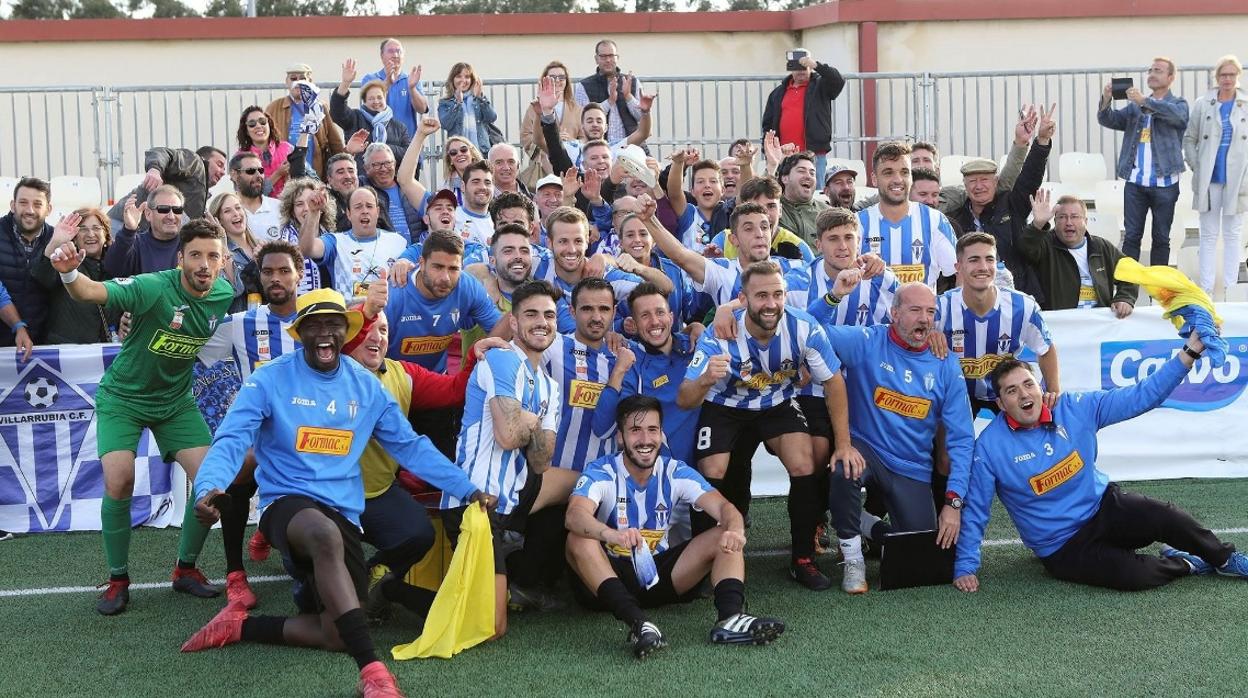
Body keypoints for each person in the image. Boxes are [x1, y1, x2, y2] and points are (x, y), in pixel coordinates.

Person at [181, 288, 492, 698]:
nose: (324, 334)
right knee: (322, 535)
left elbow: (410, 445)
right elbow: (232, 439)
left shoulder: (365, 387)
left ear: (345, 334)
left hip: (344, 511)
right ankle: (374, 674)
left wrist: (466, 488)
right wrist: (209, 485)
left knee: (337, 631)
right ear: (299, 333)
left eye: (333, 325)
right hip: (287, 506)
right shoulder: (269, 378)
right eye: (314, 325)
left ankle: (239, 624)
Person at [954, 340, 1248, 593]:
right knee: (1134, 576)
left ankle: (1223, 559)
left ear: (1040, 386)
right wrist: (966, 565)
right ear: (1001, 403)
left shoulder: (1073, 407)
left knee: (1166, 516)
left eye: (1028, 384)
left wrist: (1190, 353)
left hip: (1104, 507)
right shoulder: (989, 447)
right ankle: (1185, 562)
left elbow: (1142, 395)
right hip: (1062, 545)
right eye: (1012, 391)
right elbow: (977, 509)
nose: (1024, 395)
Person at [48, 217, 235, 615]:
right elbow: (92, 291)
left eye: (213, 256)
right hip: (123, 399)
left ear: (222, 262)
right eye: (196, 255)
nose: (204, 264)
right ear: (180, 257)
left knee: (211, 486)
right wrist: (69, 274)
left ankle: (185, 570)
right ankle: (118, 579)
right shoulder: (153, 287)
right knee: (120, 481)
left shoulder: (222, 293)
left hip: (175, 402)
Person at [678, 260, 861, 591]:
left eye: (777, 294)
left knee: (806, 462)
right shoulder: (720, 333)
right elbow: (685, 398)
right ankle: (705, 561)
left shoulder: (803, 327)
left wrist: (845, 444)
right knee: (713, 470)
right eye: (761, 295)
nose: (771, 303)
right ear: (743, 298)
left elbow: (834, 382)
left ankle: (802, 558)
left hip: (776, 403)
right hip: (725, 407)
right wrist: (706, 378)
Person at [566, 395, 784, 658]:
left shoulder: (674, 470)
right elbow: (575, 515)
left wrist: (735, 529)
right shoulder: (601, 471)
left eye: (652, 430)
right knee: (577, 540)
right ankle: (639, 624)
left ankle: (730, 618)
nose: (645, 440)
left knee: (723, 532)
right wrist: (611, 534)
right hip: (609, 581)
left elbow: (726, 509)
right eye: (635, 431)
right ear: (621, 438)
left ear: (661, 434)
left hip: (661, 578)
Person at [439, 280, 580, 636]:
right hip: (475, 504)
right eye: (531, 314)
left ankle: (530, 578)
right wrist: (530, 423)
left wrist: (524, 423)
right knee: (492, 626)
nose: (541, 322)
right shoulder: (502, 359)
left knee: (576, 484)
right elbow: (508, 436)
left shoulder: (549, 385)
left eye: (549, 315)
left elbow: (541, 462)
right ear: (514, 323)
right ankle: (393, 590)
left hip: (510, 497)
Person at [824, 282, 974, 594]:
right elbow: (809, 329)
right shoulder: (867, 341)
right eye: (915, 310)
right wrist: (832, 297)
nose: (924, 318)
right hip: (866, 448)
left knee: (922, 558)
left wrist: (954, 502)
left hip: (912, 466)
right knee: (843, 469)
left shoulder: (945, 361)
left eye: (930, 312)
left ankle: (866, 525)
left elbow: (962, 439)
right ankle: (853, 560)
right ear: (894, 314)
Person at [195, 239, 307, 608]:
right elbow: (189, 343)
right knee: (238, 474)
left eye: (284, 271)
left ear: (299, 275)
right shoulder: (239, 324)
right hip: (260, 434)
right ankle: (234, 574)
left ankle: (267, 529)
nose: (275, 279)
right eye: (268, 272)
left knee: (304, 569)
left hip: (309, 434)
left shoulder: (317, 318)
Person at [936, 232, 1059, 414]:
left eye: (989, 259)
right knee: (946, 430)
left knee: (1028, 429)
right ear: (958, 267)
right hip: (958, 393)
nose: (983, 267)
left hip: (1005, 392)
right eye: (974, 260)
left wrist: (1054, 390)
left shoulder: (1023, 306)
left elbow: (1046, 349)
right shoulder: (940, 308)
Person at [944, 104, 1055, 301]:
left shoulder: (1012, 204)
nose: (979, 186)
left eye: (984, 180)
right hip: (974, 301)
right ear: (965, 185)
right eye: (973, 181)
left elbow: (1030, 176)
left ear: (996, 182)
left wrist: (1042, 140)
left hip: (1019, 297)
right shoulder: (956, 218)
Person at [592, 283, 702, 467]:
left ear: (671, 316)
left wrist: (698, 326)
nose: (654, 322)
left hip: (710, 467)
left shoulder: (696, 345)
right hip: (664, 475)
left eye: (660, 312)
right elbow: (602, 429)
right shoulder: (631, 363)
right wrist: (618, 371)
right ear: (633, 325)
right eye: (645, 315)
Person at [1098, 57, 1190, 266]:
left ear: (1170, 77)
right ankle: (1127, 291)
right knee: (1131, 238)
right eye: (1150, 70)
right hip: (1135, 183)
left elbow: (1178, 117)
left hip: (1165, 184)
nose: (1152, 73)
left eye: (1158, 70)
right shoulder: (1134, 107)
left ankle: (1158, 291)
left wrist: (1143, 101)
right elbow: (1108, 119)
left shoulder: (1178, 104)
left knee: (1161, 238)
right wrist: (1106, 99)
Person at [1184, 55, 1248, 295]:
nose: (1227, 79)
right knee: (1208, 235)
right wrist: (1196, 165)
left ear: (1238, 77)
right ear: (1217, 77)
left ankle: (1231, 289)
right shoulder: (1204, 103)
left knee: (1233, 235)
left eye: (1232, 75)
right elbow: (1190, 138)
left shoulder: (1245, 104)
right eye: (1223, 75)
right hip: (1209, 177)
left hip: (1238, 180)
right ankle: (1206, 289)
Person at [542, 277, 622, 471]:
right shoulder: (552, 347)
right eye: (587, 309)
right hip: (550, 474)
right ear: (572, 311)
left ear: (614, 312)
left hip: (600, 481)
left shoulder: (624, 357)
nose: (596, 317)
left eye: (604, 309)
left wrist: (692, 327)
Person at [1018, 191, 1138, 314]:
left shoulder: (1102, 247)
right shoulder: (1045, 244)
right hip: (1063, 325)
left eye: (1074, 217)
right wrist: (1037, 225)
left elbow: (1131, 273)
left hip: (1100, 324)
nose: (1069, 222)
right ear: (1055, 221)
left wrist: (1124, 298)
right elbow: (1025, 248)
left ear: (1085, 221)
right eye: (1062, 217)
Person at [857, 142, 957, 288]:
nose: (898, 179)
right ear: (874, 179)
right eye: (888, 172)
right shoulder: (857, 223)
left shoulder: (935, 221)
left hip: (921, 310)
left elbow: (958, 273)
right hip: (871, 311)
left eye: (904, 172)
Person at [300, 186, 406, 301]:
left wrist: (405, 261)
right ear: (349, 214)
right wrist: (313, 212)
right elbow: (306, 249)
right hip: (351, 316)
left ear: (377, 212)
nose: (365, 211)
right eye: (358, 207)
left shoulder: (398, 242)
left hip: (386, 316)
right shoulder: (335, 242)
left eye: (369, 206)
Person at [31, 208, 118, 343]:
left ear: (106, 236)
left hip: (106, 353)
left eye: (96, 228)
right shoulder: (65, 262)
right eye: (82, 229)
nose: (90, 234)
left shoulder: (117, 267)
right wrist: (55, 242)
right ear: (75, 239)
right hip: (68, 353)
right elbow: (41, 276)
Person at [761, 50, 846, 184]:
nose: (801, 71)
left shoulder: (821, 86)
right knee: (780, 193)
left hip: (814, 155)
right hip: (784, 157)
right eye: (796, 67)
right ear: (790, 69)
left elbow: (838, 80)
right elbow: (768, 125)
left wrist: (817, 65)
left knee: (815, 192)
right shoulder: (777, 93)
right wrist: (768, 153)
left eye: (804, 67)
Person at [108, 146, 227, 226]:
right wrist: (155, 169)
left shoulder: (199, 196)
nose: (222, 172)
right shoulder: (196, 163)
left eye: (224, 169)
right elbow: (162, 152)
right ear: (204, 159)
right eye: (219, 164)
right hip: (121, 223)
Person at [265, 63, 345, 182]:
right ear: (287, 82)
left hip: (315, 174)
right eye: (293, 79)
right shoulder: (274, 108)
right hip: (284, 176)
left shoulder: (319, 107)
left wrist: (343, 165)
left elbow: (335, 143)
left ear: (310, 82)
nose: (298, 82)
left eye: (302, 78)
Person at [2, 177, 54, 346]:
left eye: (37, 204)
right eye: (23, 202)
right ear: (12, 205)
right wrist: (18, 327)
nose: (30, 210)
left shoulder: (58, 239)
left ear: (49, 209)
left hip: (44, 347)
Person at [332, 59, 411, 170]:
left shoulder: (398, 127)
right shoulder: (355, 118)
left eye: (379, 97)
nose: (376, 101)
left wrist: (383, 148)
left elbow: (408, 154)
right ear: (364, 101)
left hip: (389, 177)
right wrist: (345, 83)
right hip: (362, 178)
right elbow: (337, 112)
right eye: (371, 98)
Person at [104, 185, 188, 276]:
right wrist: (128, 230)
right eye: (163, 209)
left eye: (177, 210)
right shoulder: (135, 245)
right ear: (148, 214)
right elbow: (112, 269)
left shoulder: (191, 243)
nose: (171, 217)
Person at [666, 147, 735, 255]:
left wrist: (745, 165)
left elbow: (745, 198)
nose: (707, 185)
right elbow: (674, 193)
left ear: (722, 190)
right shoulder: (689, 213)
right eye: (700, 181)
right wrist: (678, 163)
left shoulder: (730, 212)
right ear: (692, 191)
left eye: (713, 181)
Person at [575, 39, 645, 142]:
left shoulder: (632, 82)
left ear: (617, 58)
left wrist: (628, 96)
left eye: (611, 56)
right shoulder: (584, 86)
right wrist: (609, 102)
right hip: (598, 147)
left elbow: (641, 117)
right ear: (596, 59)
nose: (608, 60)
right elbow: (581, 120)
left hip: (630, 147)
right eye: (603, 56)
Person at [360, 38, 430, 138]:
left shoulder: (411, 79)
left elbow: (422, 109)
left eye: (398, 51)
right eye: (390, 51)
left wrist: (412, 88)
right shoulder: (370, 79)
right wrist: (388, 80)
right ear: (382, 56)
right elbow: (369, 108)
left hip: (407, 142)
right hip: (380, 142)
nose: (395, 55)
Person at [522, 60, 582, 176]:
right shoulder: (535, 107)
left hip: (571, 164)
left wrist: (571, 142)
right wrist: (548, 145)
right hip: (543, 164)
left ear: (567, 81)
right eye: (553, 77)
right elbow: (525, 136)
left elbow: (585, 139)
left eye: (561, 77)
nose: (557, 81)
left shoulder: (577, 109)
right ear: (545, 80)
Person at [276, 178, 331, 294]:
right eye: (300, 204)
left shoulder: (331, 238)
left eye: (312, 201)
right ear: (291, 211)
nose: (307, 208)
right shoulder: (282, 245)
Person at [207, 191, 260, 313]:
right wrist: (222, 243)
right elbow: (236, 290)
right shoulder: (218, 256)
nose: (236, 214)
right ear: (218, 221)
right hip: (240, 324)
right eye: (227, 211)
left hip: (266, 321)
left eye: (238, 208)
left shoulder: (262, 246)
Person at [438, 62, 499, 156]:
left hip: (481, 152)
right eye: (459, 76)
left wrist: (480, 97)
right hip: (458, 153)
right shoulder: (445, 102)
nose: (463, 80)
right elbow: (445, 124)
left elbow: (492, 117)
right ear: (452, 79)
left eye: (467, 77)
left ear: (472, 80)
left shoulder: (478, 99)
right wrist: (458, 103)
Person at [236, 105, 295, 197]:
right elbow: (247, 195)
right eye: (252, 124)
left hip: (288, 207)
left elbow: (305, 178)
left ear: (269, 125)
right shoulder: (240, 157)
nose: (258, 126)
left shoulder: (288, 149)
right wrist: (278, 174)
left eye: (262, 121)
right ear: (246, 130)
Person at [227, 152, 283, 245]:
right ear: (234, 175)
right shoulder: (226, 211)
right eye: (251, 171)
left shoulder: (280, 207)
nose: (258, 176)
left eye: (261, 170)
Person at [775, 151, 828, 246]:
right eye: (801, 171)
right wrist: (772, 166)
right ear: (785, 178)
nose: (808, 176)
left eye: (812, 173)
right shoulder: (773, 208)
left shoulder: (827, 212)